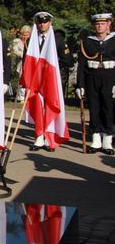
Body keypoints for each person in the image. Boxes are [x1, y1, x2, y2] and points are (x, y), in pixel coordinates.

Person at [31, 11, 71, 150]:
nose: (42, 24)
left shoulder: (57, 39)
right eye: (40, 22)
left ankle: (50, 137)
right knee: (37, 107)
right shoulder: (33, 40)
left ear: (50, 23)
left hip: (52, 80)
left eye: (45, 22)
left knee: (50, 107)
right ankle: (39, 136)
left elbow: (68, 61)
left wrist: (56, 71)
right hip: (37, 81)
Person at [76, 13, 115, 155]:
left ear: (109, 24)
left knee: (108, 108)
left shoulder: (114, 40)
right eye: (97, 24)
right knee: (94, 108)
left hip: (110, 76)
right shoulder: (87, 42)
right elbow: (81, 65)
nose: (99, 26)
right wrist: (80, 85)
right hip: (92, 77)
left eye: (103, 24)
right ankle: (96, 139)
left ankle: (107, 141)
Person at [10, 25, 31, 102]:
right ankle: (21, 97)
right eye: (24, 34)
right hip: (21, 64)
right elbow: (15, 51)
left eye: (27, 35)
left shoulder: (31, 42)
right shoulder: (16, 41)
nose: (25, 36)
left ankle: (28, 96)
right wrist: (25, 55)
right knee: (22, 79)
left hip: (29, 64)